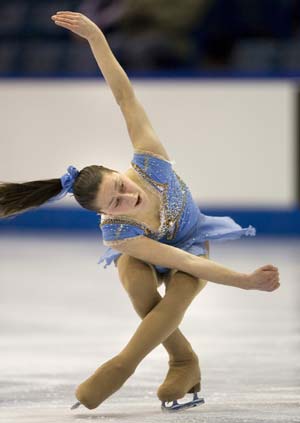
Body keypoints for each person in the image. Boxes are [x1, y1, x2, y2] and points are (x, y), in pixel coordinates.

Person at [0, 11, 280, 412]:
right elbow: (164, 257)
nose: (125, 199)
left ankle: (126, 366)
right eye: (114, 203)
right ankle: (183, 359)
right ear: (103, 213)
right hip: (154, 250)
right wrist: (246, 281)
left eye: (120, 187)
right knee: (137, 283)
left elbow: (123, 95)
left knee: (180, 290)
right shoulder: (117, 232)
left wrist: (97, 38)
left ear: (119, 171)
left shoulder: (150, 160)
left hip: (191, 244)